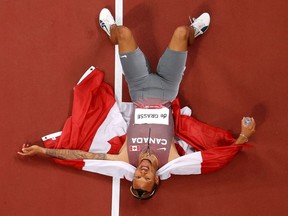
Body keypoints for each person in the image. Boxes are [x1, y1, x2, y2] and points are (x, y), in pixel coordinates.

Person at [18, 8, 256, 200]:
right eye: (146, 178)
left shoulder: (125, 158)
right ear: (156, 178)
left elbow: (81, 155)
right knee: (182, 32)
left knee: (123, 33)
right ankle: (194, 33)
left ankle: (109, 31)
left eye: (137, 178)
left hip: (140, 87)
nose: (141, 173)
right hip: (167, 88)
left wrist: (44, 151)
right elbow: (215, 158)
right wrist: (243, 137)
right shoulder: (171, 159)